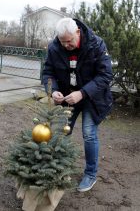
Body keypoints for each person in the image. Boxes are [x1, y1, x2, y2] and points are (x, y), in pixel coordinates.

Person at [42, 17, 113, 192]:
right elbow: (47, 72)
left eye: (70, 41)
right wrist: (53, 90)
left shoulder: (96, 44)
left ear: (78, 33)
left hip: (92, 97)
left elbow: (105, 76)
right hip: (67, 97)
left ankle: (90, 174)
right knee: (60, 133)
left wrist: (82, 93)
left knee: (89, 134)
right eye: (63, 42)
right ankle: (58, 169)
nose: (66, 45)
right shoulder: (54, 47)